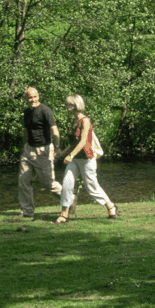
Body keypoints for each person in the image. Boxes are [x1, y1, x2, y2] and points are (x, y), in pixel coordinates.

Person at [54, 94, 117, 223]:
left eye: (68, 105)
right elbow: (73, 143)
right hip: (75, 159)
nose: (66, 107)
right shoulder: (74, 121)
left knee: (91, 187)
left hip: (87, 159)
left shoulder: (85, 121)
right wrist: (61, 153)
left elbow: (83, 141)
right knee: (67, 183)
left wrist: (70, 155)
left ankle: (110, 205)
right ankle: (64, 214)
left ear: (75, 105)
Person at [16, 86, 59, 219]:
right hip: (29, 149)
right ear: (25, 99)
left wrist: (57, 148)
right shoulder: (26, 112)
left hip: (43, 150)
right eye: (29, 97)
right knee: (23, 180)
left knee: (49, 183)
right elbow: (26, 131)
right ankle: (27, 211)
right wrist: (24, 146)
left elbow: (55, 131)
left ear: (38, 96)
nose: (32, 99)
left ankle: (70, 199)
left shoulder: (45, 111)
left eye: (34, 96)